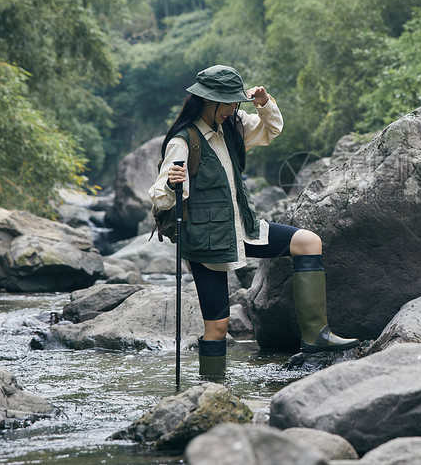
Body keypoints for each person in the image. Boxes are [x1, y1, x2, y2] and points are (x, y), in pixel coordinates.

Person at [149, 65, 358, 376]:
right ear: (209, 101)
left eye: (236, 103)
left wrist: (263, 103)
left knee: (308, 242)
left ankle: (317, 337)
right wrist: (171, 183)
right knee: (217, 328)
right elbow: (160, 196)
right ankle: (212, 391)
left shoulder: (232, 125)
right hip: (207, 243)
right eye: (229, 103)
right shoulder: (184, 141)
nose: (233, 109)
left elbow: (271, 130)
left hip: (242, 228)